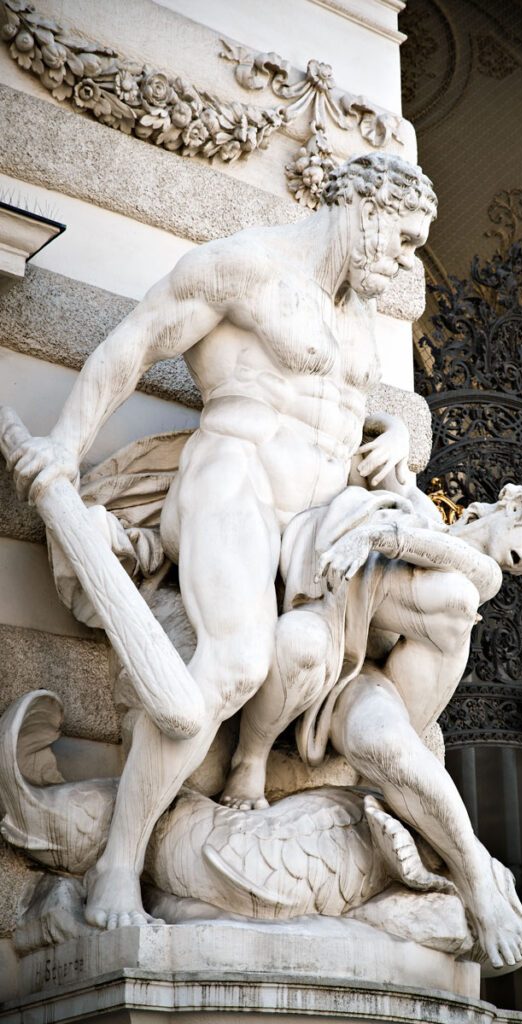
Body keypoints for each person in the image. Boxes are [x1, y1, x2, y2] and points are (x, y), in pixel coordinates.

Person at [8, 153, 437, 930]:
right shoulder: (245, 267)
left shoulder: (359, 308)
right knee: (236, 660)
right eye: (403, 240)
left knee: (418, 612)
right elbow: (132, 344)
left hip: (313, 527)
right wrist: (65, 448)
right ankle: (117, 866)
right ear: (366, 207)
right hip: (232, 484)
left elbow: (332, 403)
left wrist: (397, 433)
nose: (407, 263)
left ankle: (255, 774)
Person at [222, 476, 522, 968]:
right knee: (300, 644)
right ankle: (248, 757)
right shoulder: (422, 510)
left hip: (371, 685)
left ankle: (477, 880)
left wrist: (376, 538)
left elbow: (441, 554)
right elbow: (390, 474)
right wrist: (396, 428)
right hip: (334, 630)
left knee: (392, 746)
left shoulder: (480, 578)